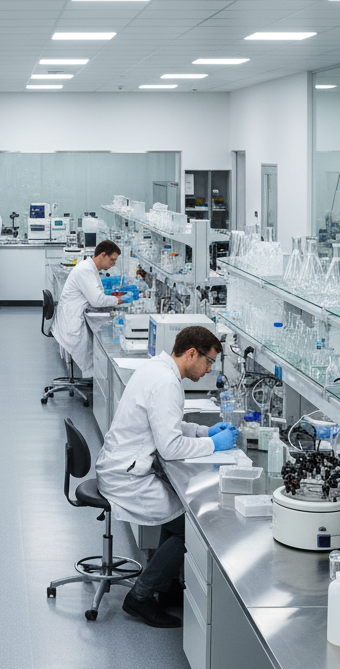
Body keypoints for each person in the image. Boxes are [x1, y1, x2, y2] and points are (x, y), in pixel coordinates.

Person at [95, 325, 238, 628]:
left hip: (123, 465)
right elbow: (170, 446)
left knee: (176, 509)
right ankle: (142, 595)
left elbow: (167, 424)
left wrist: (203, 431)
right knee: (189, 526)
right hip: (125, 477)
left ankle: (165, 582)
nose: (209, 369)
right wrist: (214, 444)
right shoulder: (167, 383)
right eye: (208, 362)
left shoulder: (158, 369)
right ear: (191, 354)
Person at [52, 240, 125, 378]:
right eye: (112, 260)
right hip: (71, 322)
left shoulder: (90, 268)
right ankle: (97, 382)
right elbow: (97, 300)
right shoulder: (85, 270)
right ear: (103, 255)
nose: (114, 263)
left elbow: (96, 293)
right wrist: (120, 300)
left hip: (71, 316)